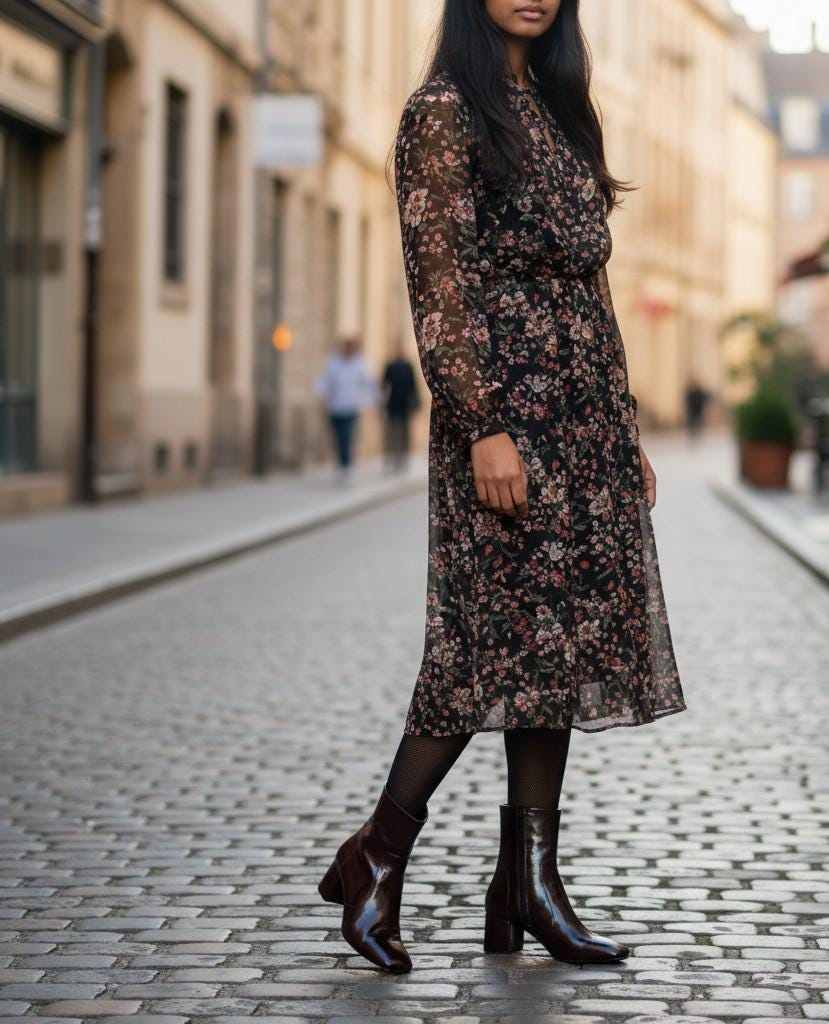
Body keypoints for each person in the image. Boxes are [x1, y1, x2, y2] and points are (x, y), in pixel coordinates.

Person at [317, 0, 686, 974]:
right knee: (479, 645)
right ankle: (378, 857)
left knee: (552, 651)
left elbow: (591, 286)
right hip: (504, 422)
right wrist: (481, 421)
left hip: (584, 428)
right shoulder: (444, 110)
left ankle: (527, 883)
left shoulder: (565, 111)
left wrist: (626, 423)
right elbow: (437, 282)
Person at [315, 336, 378, 478]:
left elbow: (368, 384)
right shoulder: (333, 362)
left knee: (347, 436)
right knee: (338, 436)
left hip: (351, 406)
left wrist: (373, 402)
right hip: (335, 407)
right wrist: (322, 395)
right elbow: (324, 380)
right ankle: (342, 463)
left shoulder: (360, 364)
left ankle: (347, 465)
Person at [380, 338, 421, 471]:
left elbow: (413, 386)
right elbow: (383, 384)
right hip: (393, 402)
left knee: (404, 431)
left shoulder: (408, 366)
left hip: (405, 404)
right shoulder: (390, 366)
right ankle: (393, 456)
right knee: (392, 431)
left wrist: (416, 402)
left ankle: (403, 456)